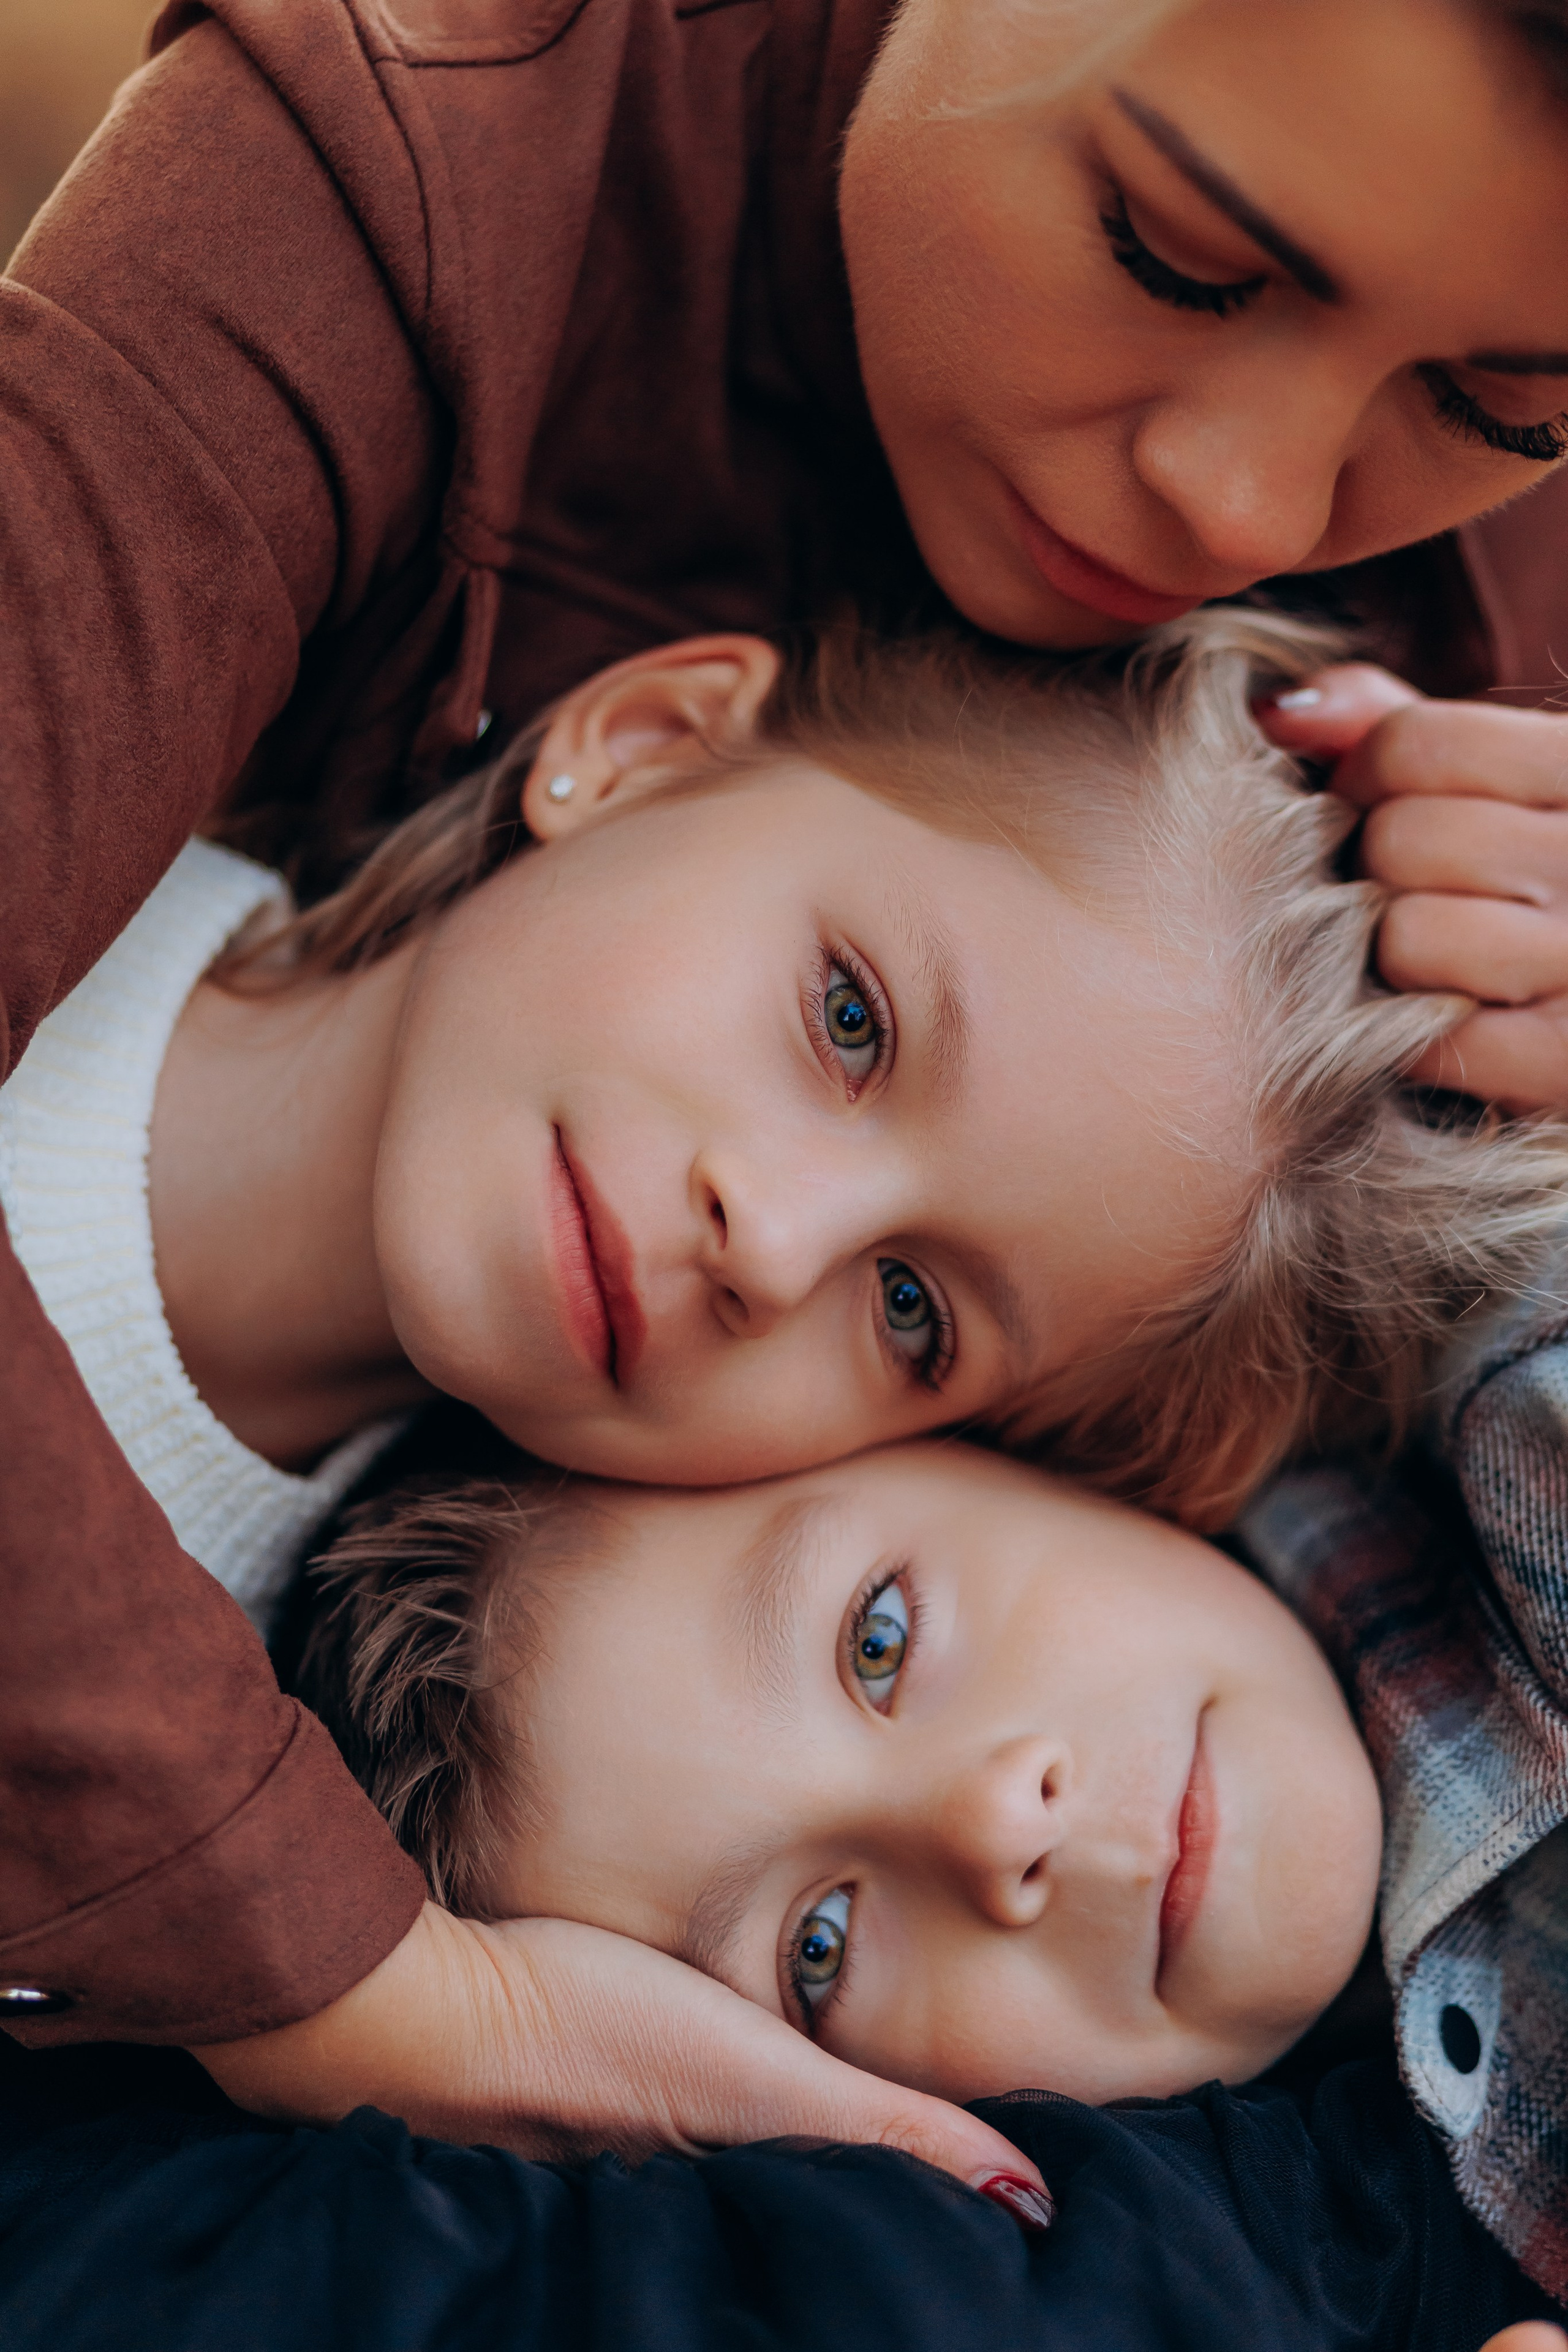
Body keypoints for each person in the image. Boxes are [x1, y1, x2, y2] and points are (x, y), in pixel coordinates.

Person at [13, 0, 1568, 2175]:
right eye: (848, 1020)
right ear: (640, 738)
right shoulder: (393, 203)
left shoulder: (297, 1656)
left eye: (916, 1318)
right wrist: (361, 1989)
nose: (781, 1239)